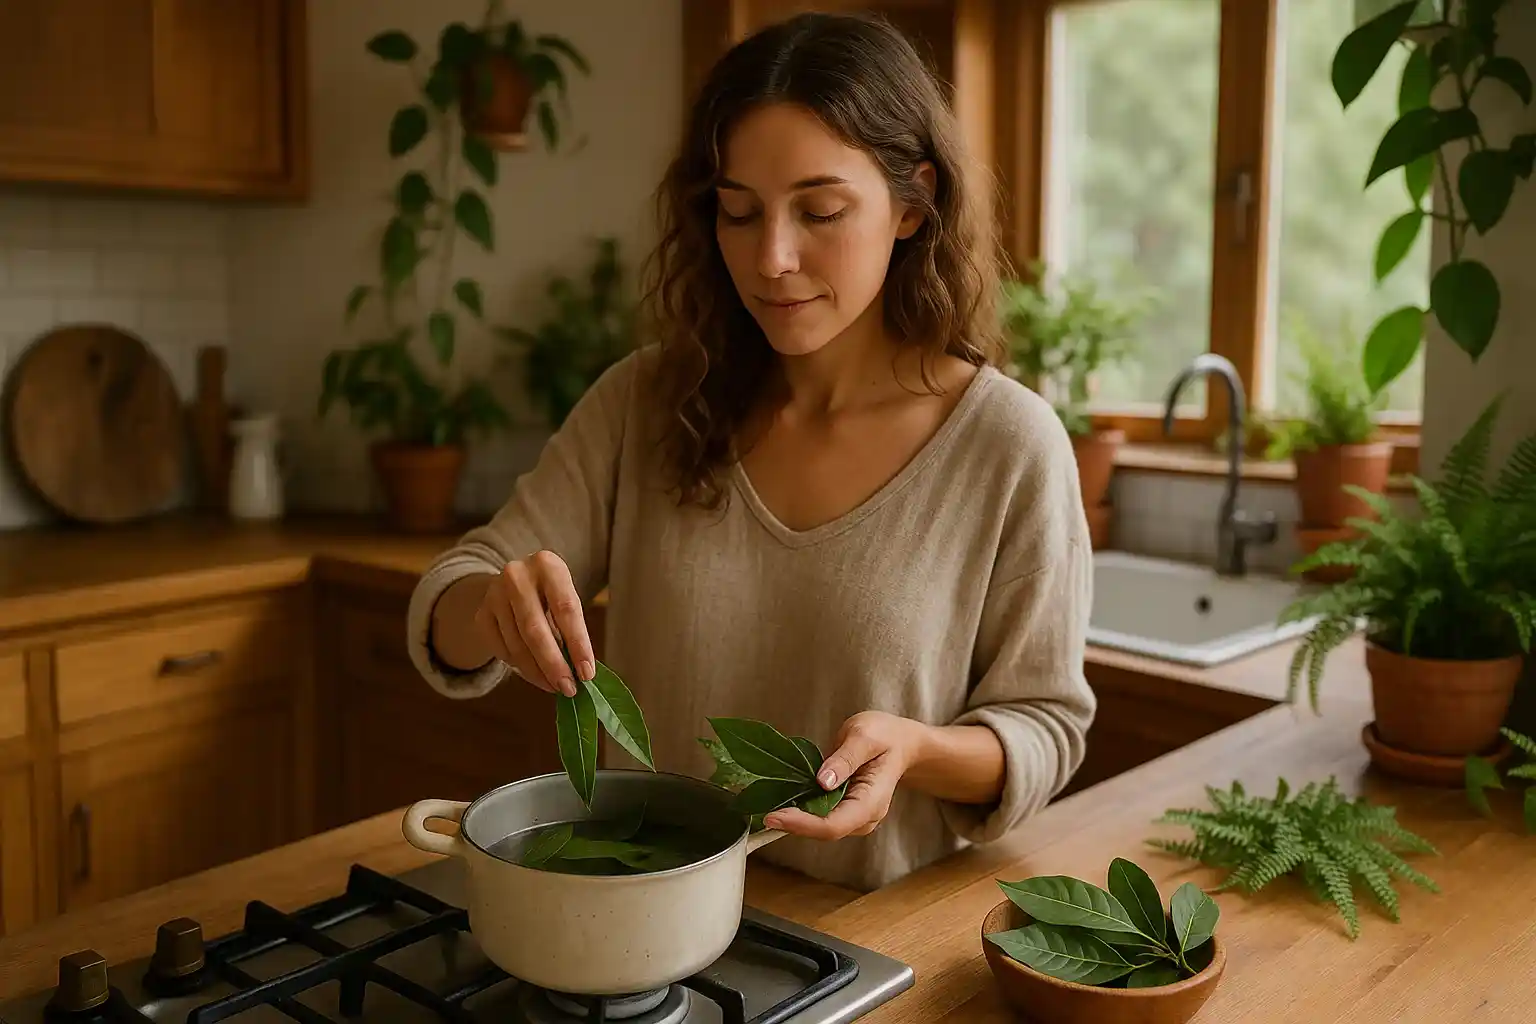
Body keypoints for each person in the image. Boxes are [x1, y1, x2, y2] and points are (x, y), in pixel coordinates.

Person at [406, 10, 1095, 893]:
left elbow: (1045, 727)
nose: (771, 257)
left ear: (913, 203)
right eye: (738, 211)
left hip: (864, 934)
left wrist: (918, 750)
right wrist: (491, 611)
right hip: (641, 922)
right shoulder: (644, 402)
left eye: (820, 211)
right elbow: (451, 600)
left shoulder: (1009, 445)